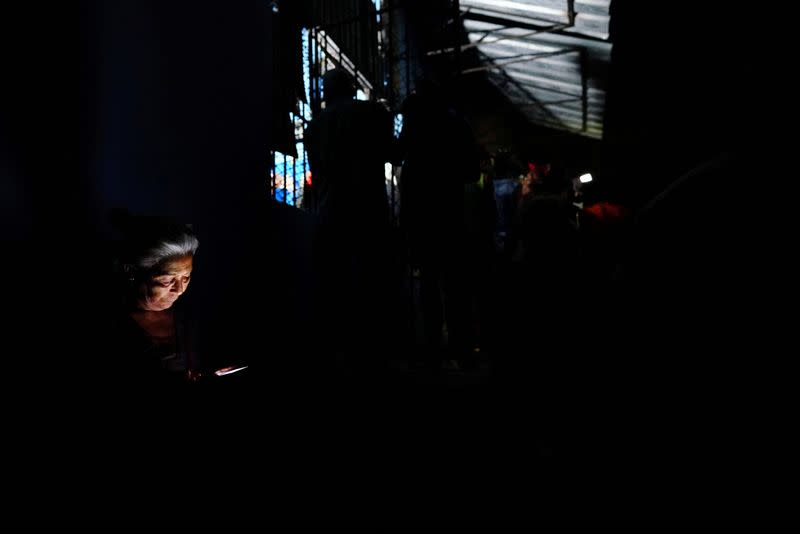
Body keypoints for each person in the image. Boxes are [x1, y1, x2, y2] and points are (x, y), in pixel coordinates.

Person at [303, 68, 398, 377]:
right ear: (351, 87)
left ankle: (337, 351)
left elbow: (317, 170)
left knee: (334, 281)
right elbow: (394, 154)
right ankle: (371, 350)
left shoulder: (315, 126)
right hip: (369, 206)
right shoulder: (371, 112)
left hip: (331, 210)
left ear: (326, 92)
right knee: (371, 279)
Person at [108, 210, 201, 384]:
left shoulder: (190, 318)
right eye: (167, 280)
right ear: (132, 272)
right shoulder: (113, 326)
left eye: (186, 278)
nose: (179, 289)